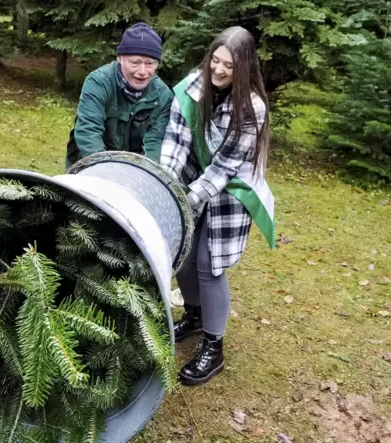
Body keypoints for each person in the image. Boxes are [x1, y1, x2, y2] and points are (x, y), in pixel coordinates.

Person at [160, 26, 276, 386]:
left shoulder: (251, 108)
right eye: (216, 60)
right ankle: (194, 316)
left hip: (232, 190)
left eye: (229, 65)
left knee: (209, 264)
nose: (220, 70)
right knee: (184, 249)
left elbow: (224, 167)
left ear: (243, 69)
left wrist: (189, 198)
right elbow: (175, 142)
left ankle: (214, 347)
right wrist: (165, 185)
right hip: (193, 177)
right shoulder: (192, 88)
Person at [65, 23, 174, 169]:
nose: (143, 71)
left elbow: (154, 144)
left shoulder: (163, 96)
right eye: (135, 62)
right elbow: (88, 131)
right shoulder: (98, 82)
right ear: (119, 58)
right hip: (90, 165)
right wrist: (104, 170)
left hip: (134, 170)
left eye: (150, 64)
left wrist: (143, 175)